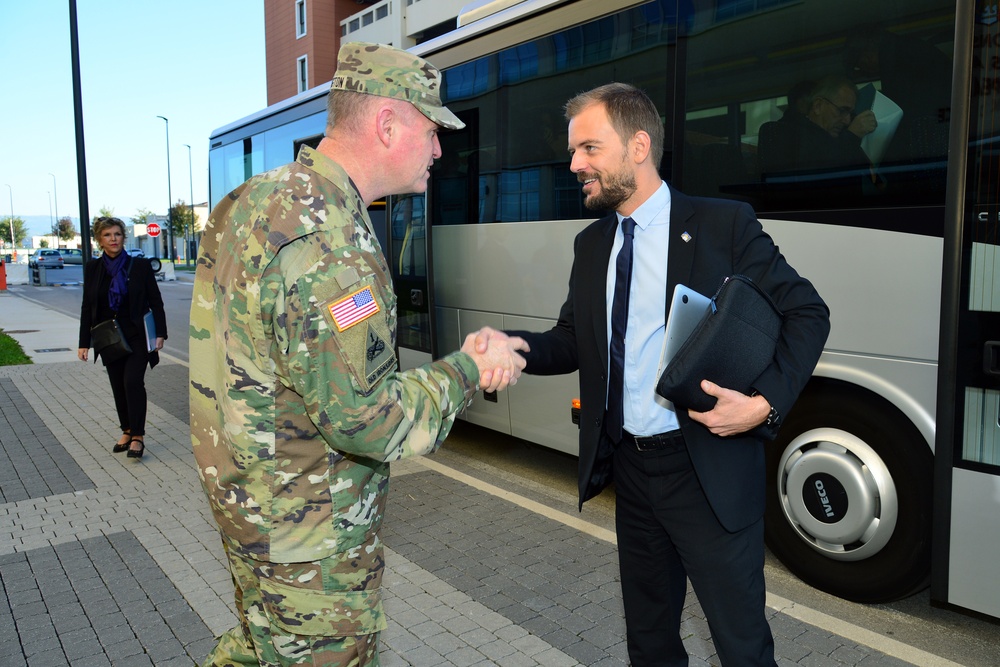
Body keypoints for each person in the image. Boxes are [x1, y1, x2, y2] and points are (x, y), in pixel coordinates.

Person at [189, 42, 529, 667]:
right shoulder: (333, 246)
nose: (439, 149)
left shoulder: (254, 201)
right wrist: (468, 369)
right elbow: (367, 421)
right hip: (309, 544)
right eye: (432, 131)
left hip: (251, 510)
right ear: (387, 123)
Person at [504, 83, 830, 665]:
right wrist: (512, 347)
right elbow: (571, 342)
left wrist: (763, 404)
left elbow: (807, 312)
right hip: (631, 471)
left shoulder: (723, 225)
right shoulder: (591, 243)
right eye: (574, 150)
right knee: (650, 641)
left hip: (704, 470)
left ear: (638, 146)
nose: (574, 163)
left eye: (588, 148)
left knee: (741, 645)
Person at [78, 216, 167, 460]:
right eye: (107, 235)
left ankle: (138, 435)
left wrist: (160, 333)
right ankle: (126, 430)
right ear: (99, 240)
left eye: (117, 234)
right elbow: (88, 306)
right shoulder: (92, 268)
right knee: (118, 386)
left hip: (137, 335)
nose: (113, 239)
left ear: (123, 237)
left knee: (132, 382)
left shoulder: (140, 266)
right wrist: (83, 342)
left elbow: (155, 301)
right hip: (108, 336)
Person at [758, 75, 877, 178]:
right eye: (842, 111)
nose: (847, 121)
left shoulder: (842, 139)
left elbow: (874, 179)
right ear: (818, 106)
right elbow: (809, 173)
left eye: (850, 114)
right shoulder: (781, 132)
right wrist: (851, 136)